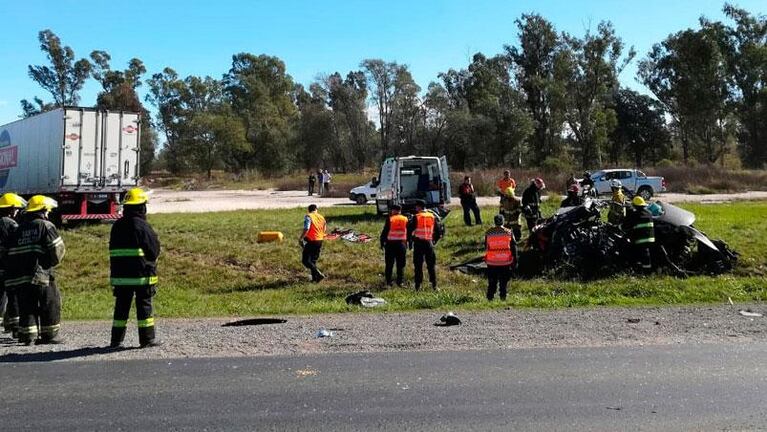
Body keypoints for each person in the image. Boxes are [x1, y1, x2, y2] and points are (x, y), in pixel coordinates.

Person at [5, 195, 65, 345]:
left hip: (20, 276)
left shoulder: (18, 229)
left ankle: (28, 337)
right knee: (50, 302)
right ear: (44, 210)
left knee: (26, 306)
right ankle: (49, 335)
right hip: (41, 274)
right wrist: (49, 263)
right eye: (48, 211)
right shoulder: (46, 225)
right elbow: (58, 250)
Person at [109, 188, 162, 348]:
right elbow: (153, 251)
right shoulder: (143, 227)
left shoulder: (116, 226)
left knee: (121, 308)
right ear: (141, 207)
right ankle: (147, 339)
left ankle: (116, 341)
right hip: (141, 276)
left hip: (121, 277)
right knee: (144, 307)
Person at [0, 193, 24, 337]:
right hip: (8, 266)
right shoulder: (10, 224)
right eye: (16, 209)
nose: (17, 212)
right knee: (12, 296)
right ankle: (15, 327)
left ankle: (8, 324)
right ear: (11, 209)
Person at [408, 200, 444, 291]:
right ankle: (434, 285)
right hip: (429, 243)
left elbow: (409, 230)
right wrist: (434, 241)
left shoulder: (417, 217)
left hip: (419, 243)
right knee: (431, 265)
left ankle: (418, 286)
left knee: (418, 265)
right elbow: (439, 231)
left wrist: (410, 241)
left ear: (419, 207)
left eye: (416, 207)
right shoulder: (432, 216)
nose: (416, 208)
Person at [484, 214, 517, 301]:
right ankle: (503, 297)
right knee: (503, 281)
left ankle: (490, 298)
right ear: (503, 221)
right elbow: (514, 247)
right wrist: (515, 261)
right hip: (505, 261)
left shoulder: (488, 233)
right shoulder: (509, 232)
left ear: (494, 222)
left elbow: (486, 247)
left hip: (492, 261)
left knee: (492, 281)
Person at [623, 196, 655, 274]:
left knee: (633, 252)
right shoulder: (649, 213)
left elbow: (627, 226)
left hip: (641, 240)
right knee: (645, 255)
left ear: (635, 206)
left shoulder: (635, 215)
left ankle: (644, 272)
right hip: (651, 239)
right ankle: (645, 270)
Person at [379, 204, 408, 287]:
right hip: (402, 244)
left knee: (389, 264)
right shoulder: (405, 219)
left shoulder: (390, 219)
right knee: (401, 264)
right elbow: (408, 232)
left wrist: (382, 243)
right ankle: (400, 282)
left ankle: (388, 282)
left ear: (393, 210)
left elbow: (385, 232)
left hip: (390, 244)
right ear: (400, 211)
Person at [300, 204, 326, 282]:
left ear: (309, 210)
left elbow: (307, 228)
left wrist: (301, 238)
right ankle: (315, 279)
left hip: (311, 240)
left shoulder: (308, 216)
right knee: (313, 260)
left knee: (305, 261)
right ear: (316, 209)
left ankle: (318, 273)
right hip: (320, 240)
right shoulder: (322, 217)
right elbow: (324, 229)